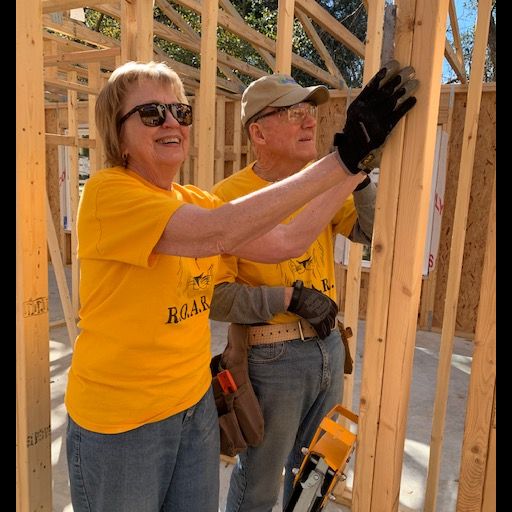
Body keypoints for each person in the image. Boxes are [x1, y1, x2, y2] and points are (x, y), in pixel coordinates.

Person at [63, 60, 394, 512]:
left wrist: (352, 168)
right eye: (151, 114)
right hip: (124, 424)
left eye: (180, 111)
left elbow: (288, 239)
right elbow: (219, 231)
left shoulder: (193, 199)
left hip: (192, 407)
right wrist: (337, 160)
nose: (172, 122)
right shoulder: (108, 193)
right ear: (116, 134)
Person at [209, 67, 418, 511]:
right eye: (293, 113)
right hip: (270, 359)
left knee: (315, 479)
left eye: (310, 111)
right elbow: (214, 296)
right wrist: (288, 299)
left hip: (326, 349)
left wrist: (357, 176)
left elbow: (371, 230)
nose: (310, 121)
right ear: (258, 132)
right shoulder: (227, 199)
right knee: (262, 481)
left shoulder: (319, 185)